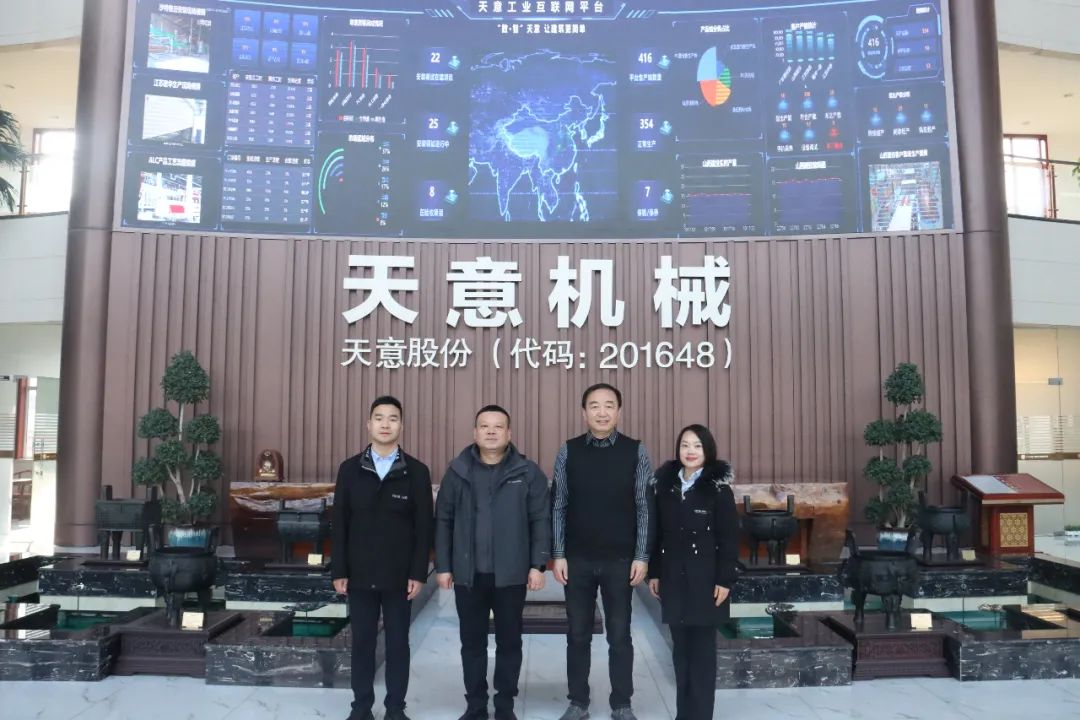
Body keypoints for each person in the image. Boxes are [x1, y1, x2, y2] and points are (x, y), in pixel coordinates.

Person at [435, 404, 551, 720]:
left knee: (509, 642)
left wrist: (537, 565)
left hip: (511, 575)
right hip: (469, 575)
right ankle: (475, 705)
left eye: (498, 426)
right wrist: (444, 566)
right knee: (471, 643)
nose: (491, 431)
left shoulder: (527, 472)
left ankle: (504, 705)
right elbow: (443, 520)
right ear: (475, 432)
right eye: (484, 426)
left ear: (508, 433)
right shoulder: (458, 471)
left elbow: (540, 520)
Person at [552, 383, 653, 720]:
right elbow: (559, 504)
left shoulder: (636, 451)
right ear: (584, 412)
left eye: (609, 405)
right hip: (577, 560)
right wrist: (559, 553)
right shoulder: (568, 451)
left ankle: (622, 703)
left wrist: (641, 556)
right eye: (594, 405)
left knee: (620, 635)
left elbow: (644, 506)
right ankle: (578, 701)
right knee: (577, 634)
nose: (602, 412)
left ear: (619, 411)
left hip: (620, 560)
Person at [331, 396, 433, 720]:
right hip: (359, 573)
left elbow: (424, 528)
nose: (385, 424)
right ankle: (361, 707)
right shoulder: (349, 470)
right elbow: (339, 524)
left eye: (392, 418)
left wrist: (418, 572)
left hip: (399, 575)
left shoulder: (416, 472)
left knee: (398, 643)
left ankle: (395, 708)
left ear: (401, 425)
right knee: (362, 642)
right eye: (379, 418)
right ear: (369, 424)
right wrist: (339, 569)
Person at [648, 424, 739, 720]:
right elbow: (657, 535)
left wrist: (724, 579)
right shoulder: (665, 487)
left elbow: (729, 539)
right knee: (681, 653)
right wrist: (655, 573)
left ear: (707, 450)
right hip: (673, 579)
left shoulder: (718, 490)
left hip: (706, 582)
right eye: (685, 445)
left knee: (701, 656)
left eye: (697, 446)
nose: (690, 451)